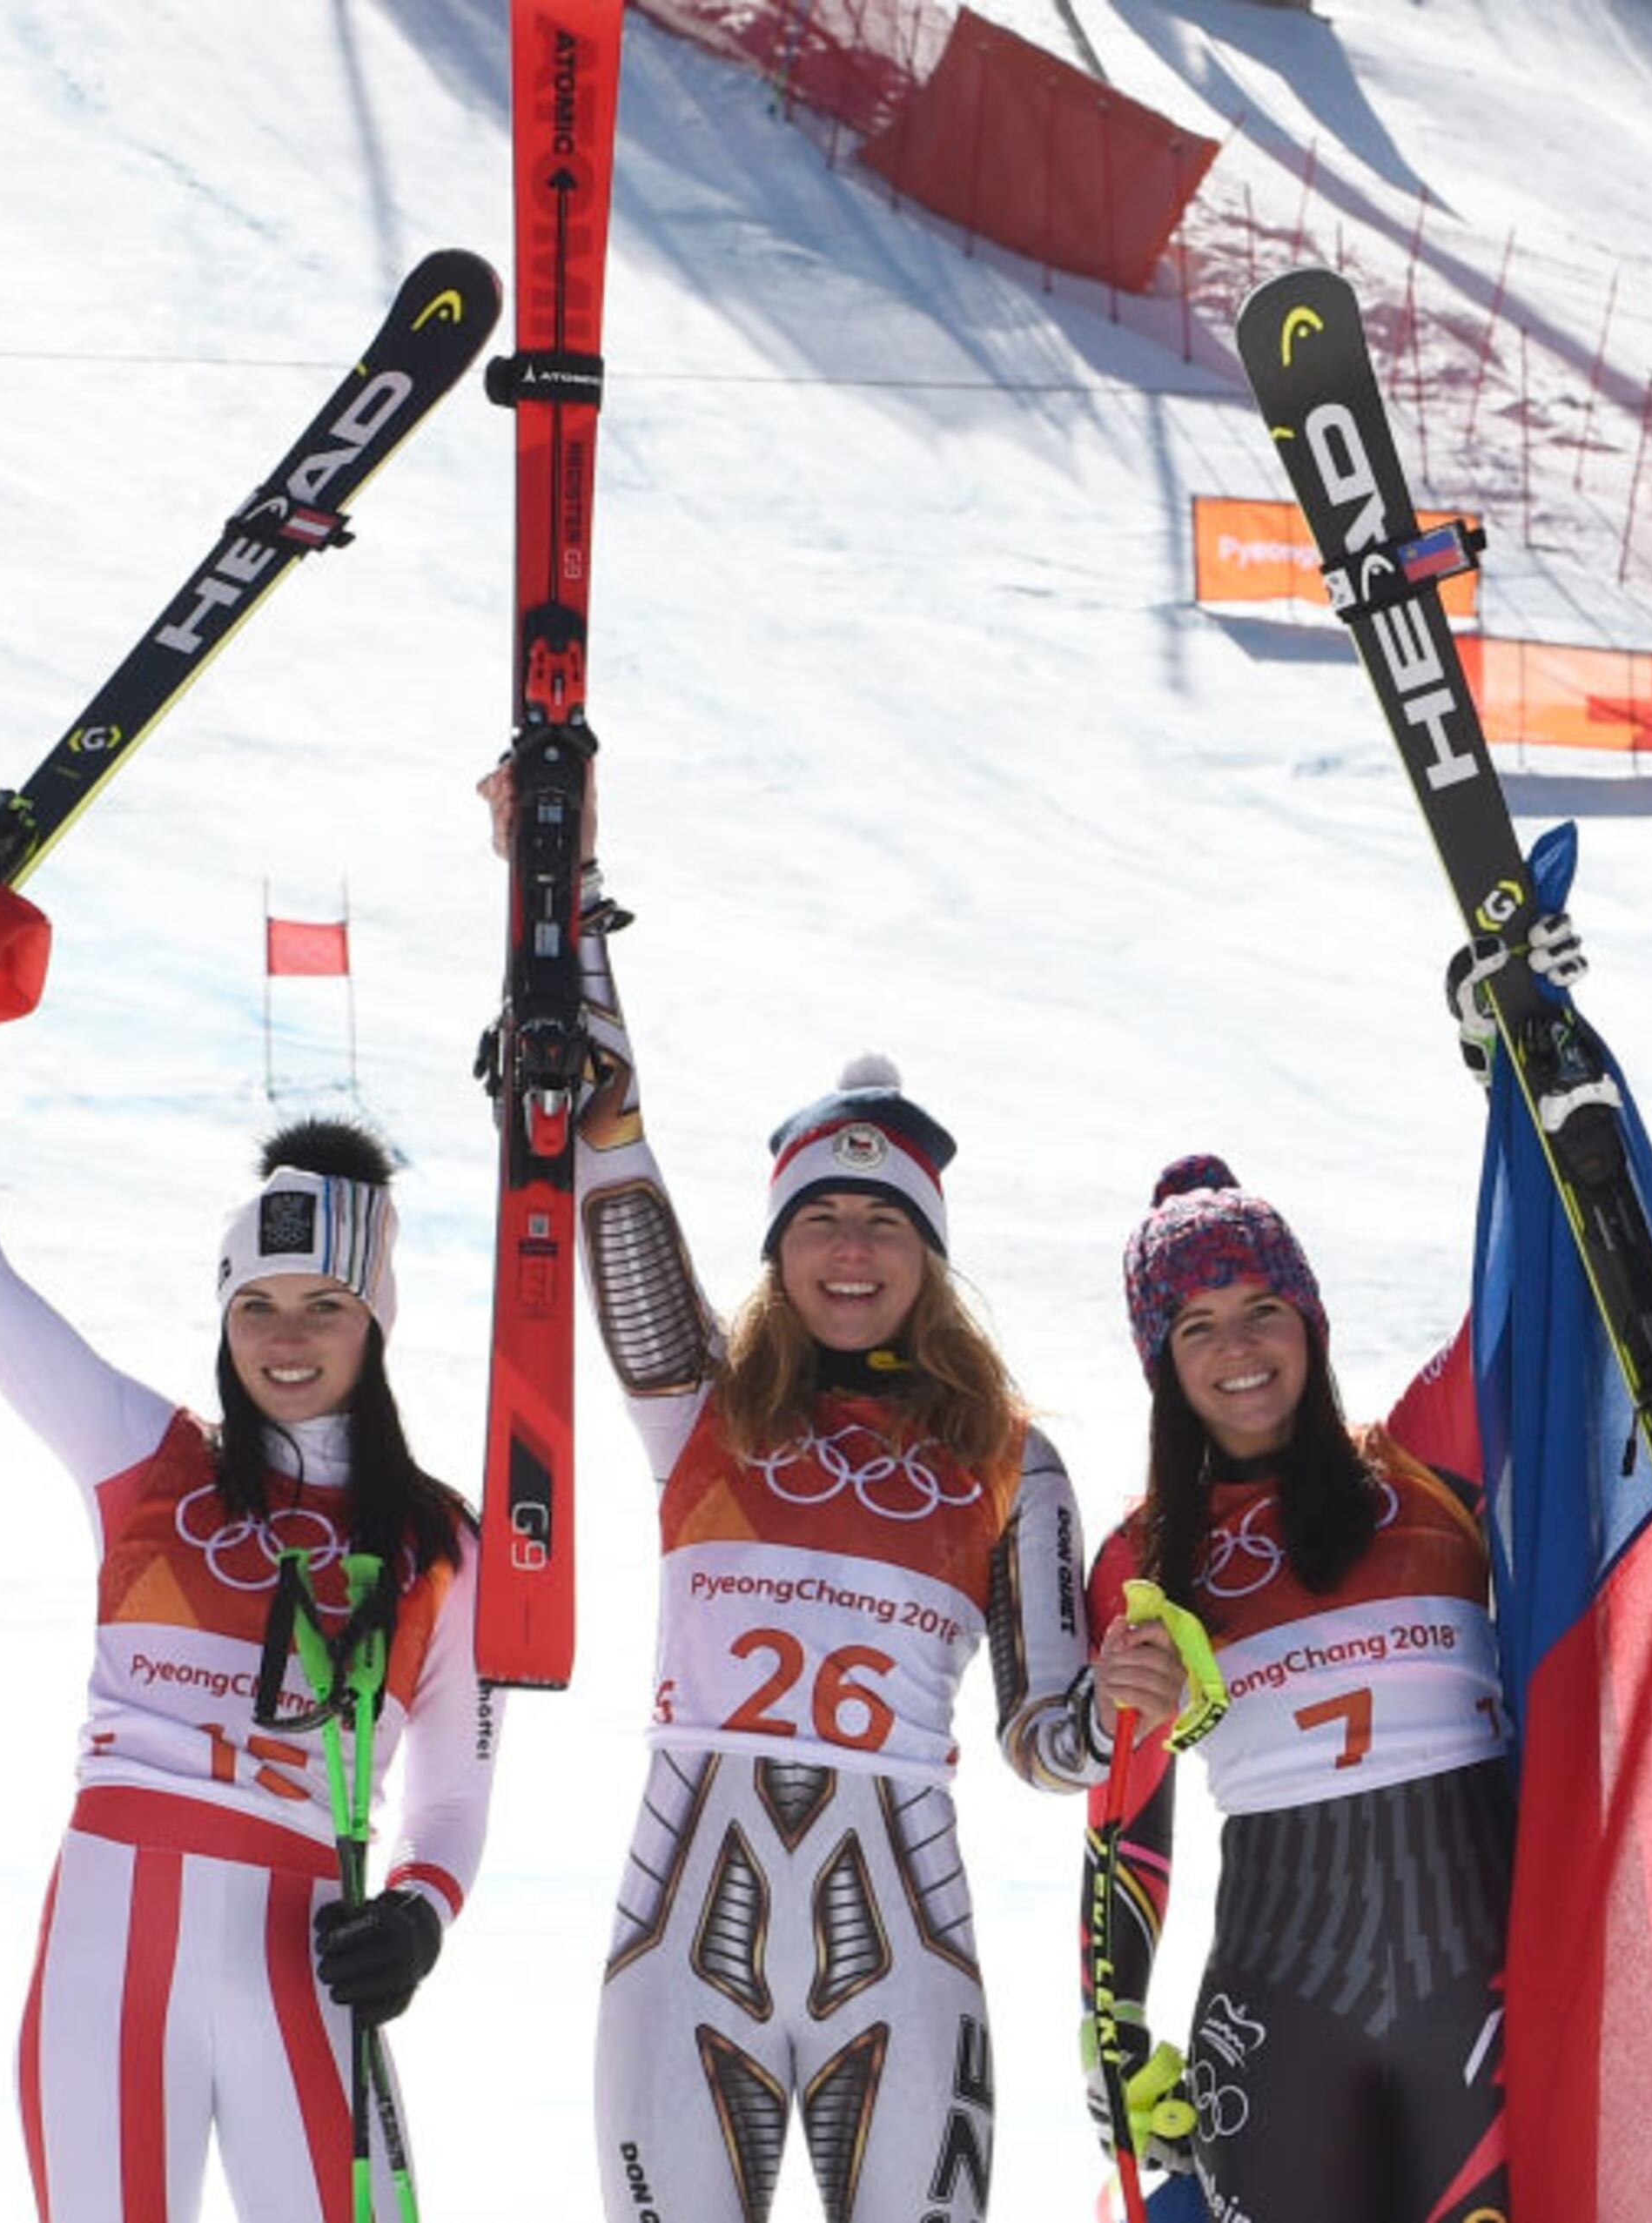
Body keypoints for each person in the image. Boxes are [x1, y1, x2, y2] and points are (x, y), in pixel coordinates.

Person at [508, 776, 1105, 2223]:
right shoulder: (703, 1415)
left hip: (907, 1958)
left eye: (885, 1219)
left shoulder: (1008, 1458)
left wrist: (1127, 1699)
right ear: (778, 1249)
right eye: (821, 1218)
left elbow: (1055, 1742)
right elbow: (616, 1170)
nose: (852, 1247)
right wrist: (563, 908)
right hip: (677, 1957)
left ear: (930, 1252)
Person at [0, 1021, 492, 2223]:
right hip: (111, 1952)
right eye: (257, 1302)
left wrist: (420, 1916)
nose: (283, 1338)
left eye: (323, 1304)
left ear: (375, 1318)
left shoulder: (442, 1542)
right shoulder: (148, 1461)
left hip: (305, 1951)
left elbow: (452, 1795)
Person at [1078, 1153, 1514, 2223]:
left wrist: (1526, 1058)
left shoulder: (1428, 1470)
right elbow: (1128, 1825)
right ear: (1162, 1365)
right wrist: (1115, 2026)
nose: (1238, 1347)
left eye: (1262, 1306)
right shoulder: (1143, 1559)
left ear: (1310, 1321)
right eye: (1197, 1326)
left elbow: (1531, 1288)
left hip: (1484, 1997)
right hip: (1279, 2021)